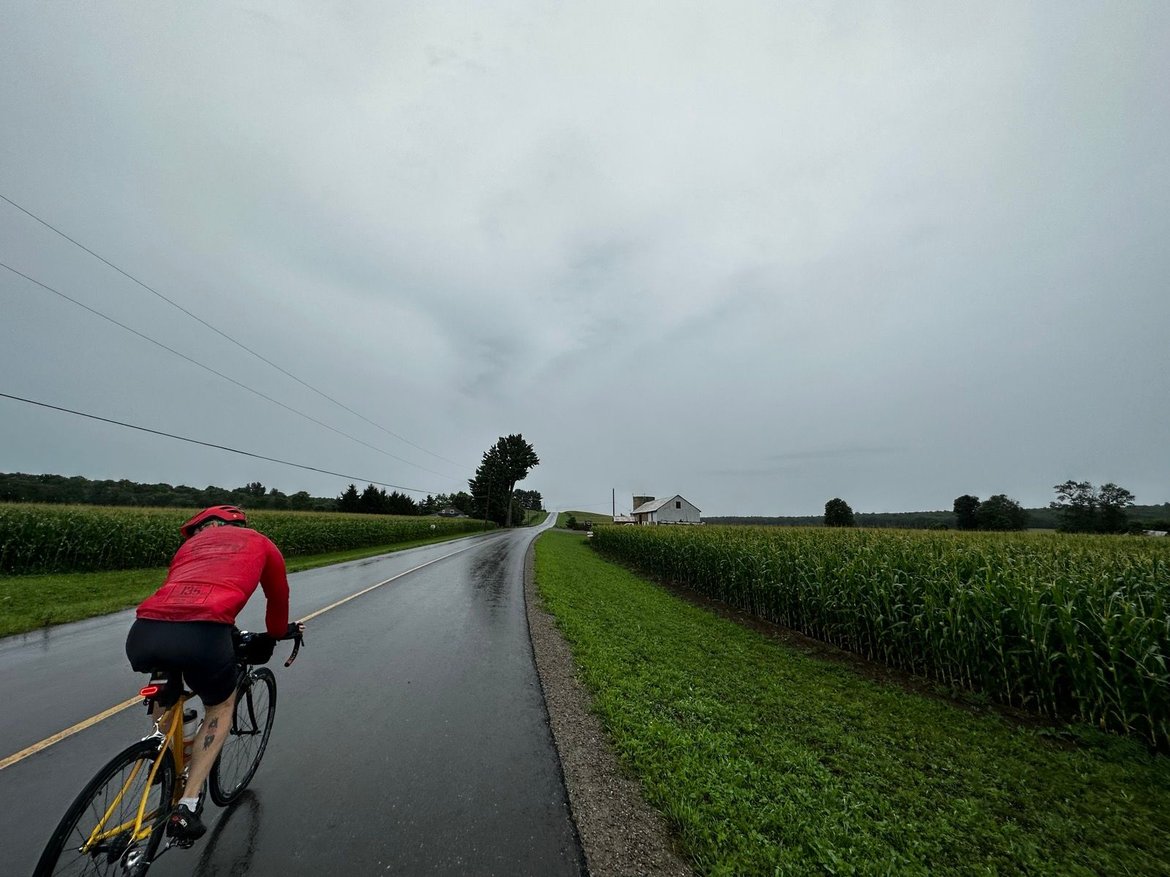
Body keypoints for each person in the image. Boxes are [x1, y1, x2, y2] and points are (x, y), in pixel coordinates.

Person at [125, 504, 301, 844]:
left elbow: (183, 597)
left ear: (210, 525)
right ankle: (187, 805)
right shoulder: (261, 543)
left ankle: (160, 754)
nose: (197, 537)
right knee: (220, 705)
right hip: (203, 635)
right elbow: (277, 599)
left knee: (166, 685)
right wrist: (277, 633)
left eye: (197, 530)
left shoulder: (188, 549)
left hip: (144, 632)